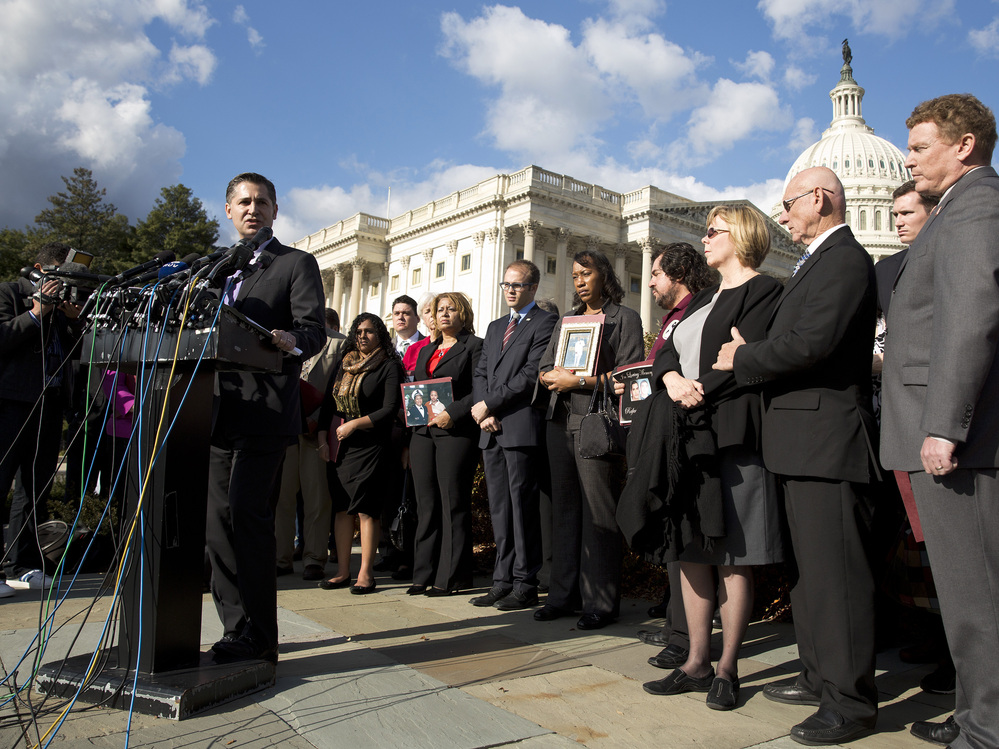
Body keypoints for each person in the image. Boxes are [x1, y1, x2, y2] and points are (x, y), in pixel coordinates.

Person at [714, 166, 879, 744]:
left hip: (826, 440)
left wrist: (747, 357)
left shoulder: (846, 259)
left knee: (836, 577)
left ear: (820, 198)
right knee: (809, 577)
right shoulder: (818, 261)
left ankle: (850, 702)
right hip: (799, 441)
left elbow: (813, 343)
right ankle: (818, 676)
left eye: (787, 204)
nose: (782, 216)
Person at [880, 94, 999, 749]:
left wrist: (944, 425)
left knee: (975, 596)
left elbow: (967, 319)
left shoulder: (976, 204)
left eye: (919, 147)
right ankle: (976, 711)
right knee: (964, 596)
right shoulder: (958, 207)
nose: (908, 159)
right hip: (953, 433)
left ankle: (986, 728)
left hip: (962, 441)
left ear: (962, 146)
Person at [641, 206, 783, 711]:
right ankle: (695, 660)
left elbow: (744, 356)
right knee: (692, 548)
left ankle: (728, 667)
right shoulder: (702, 298)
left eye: (713, 231)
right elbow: (664, 350)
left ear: (740, 236)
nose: (704, 239)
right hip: (688, 434)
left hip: (731, 432)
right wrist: (672, 379)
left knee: (733, 555)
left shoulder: (763, 291)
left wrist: (698, 385)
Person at [206, 173, 326, 664]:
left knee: (247, 516)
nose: (252, 209)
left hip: (267, 409)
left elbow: (313, 330)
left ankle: (260, 632)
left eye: (262, 202)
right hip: (215, 409)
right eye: (243, 202)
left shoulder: (296, 263)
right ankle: (235, 627)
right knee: (216, 523)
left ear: (275, 210)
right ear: (229, 211)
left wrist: (289, 339)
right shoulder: (215, 270)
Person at [536, 249, 644, 629]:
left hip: (595, 424)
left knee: (599, 512)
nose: (579, 280)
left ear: (604, 276)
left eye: (586, 273)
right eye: (575, 275)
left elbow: (627, 379)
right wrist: (550, 376)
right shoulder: (567, 320)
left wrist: (578, 380)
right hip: (559, 422)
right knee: (563, 512)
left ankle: (601, 602)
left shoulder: (625, 319)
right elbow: (545, 365)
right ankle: (562, 596)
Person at [629, 242, 714, 669]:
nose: (649, 282)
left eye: (657, 274)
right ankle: (676, 629)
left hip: (690, 436)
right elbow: (661, 360)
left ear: (678, 274)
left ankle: (685, 639)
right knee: (674, 538)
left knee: (688, 542)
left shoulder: (701, 309)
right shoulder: (671, 318)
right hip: (661, 430)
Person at [469, 260, 557, 610]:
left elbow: (530, 374)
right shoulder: (494, 327)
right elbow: (480, 372)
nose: (510, 290)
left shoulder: (546, 322)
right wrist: (481, 410)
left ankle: (526, 581)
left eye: (517, 285)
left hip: (519, 428)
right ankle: (501, 579)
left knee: (523, 509)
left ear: (533, 288)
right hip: (489, 429)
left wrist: (489, 404)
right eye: (506, 284)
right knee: (500, 510)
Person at [1, 242, 83, 596]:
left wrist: (73, 321)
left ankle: (22, 565)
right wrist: (36, 312)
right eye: (58, 278)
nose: (62, 287)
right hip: (10, 404)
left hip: (49, 406)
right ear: (39, 270)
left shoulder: (62, 309)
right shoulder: (10, 293)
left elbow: (79, 356)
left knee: (35, 492)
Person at [317, 313, 403, 594]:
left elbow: (389, 408)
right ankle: (342, 572)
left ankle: (365, 574)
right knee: (341, 508)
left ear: (380, 335)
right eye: (358, 331)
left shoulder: (389, 365)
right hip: (342, 445)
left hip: (371, 444)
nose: (362, 336)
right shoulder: (344, 363)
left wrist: (355, 424)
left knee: (366, 510)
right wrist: (322, 438)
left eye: (369, 331)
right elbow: (328, 405)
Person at [409, 292, 483, 596]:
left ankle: (452, 577)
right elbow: (418, 387)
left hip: (457, 432)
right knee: (426, 504)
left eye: (451, 309)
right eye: (439, 310)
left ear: (462, 314)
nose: (444, 314)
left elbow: (480, 388)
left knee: (453, 503)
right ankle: (422, 573)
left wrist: (452, 413)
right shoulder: (428, 350)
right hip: (423, 433)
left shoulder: (475, 346)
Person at [275, 308, 346, 581]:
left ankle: (314, 557)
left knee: (317, 496)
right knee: (282, 496)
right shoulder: (281, 336)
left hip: (316, 429)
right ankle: (280, 556)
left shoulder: (337, 343)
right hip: (285, 428)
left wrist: (319, 419)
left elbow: (338, 388)